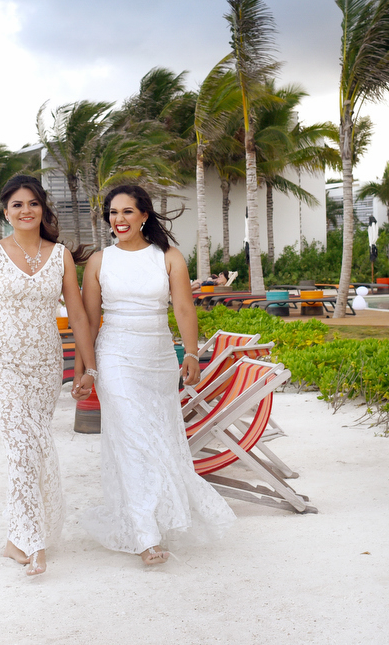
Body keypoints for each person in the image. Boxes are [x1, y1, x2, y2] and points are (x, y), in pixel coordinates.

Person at [78, 184, 235, 565]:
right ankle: (146, 535)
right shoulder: (100, 261)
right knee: (133, 438)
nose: (119, 220)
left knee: (157, 436)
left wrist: (192, 353)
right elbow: (88, 321)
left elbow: (183, 308)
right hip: (115, 356)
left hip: (159, 359)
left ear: (144, 215)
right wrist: (86, 369)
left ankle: (150, 519)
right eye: (113, 213)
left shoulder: (169, 257)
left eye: (127, 212)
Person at [0, 174, 95, 577]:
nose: (25, 210)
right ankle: (29, 541)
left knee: (36, 447)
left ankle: (15, 539)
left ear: (42, 209)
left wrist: (87, 367)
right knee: (19, 447)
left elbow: (78, 315)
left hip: (44, 365)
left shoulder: (60, 256)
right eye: (17, 205)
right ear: (6, 212)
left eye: (32, 203)